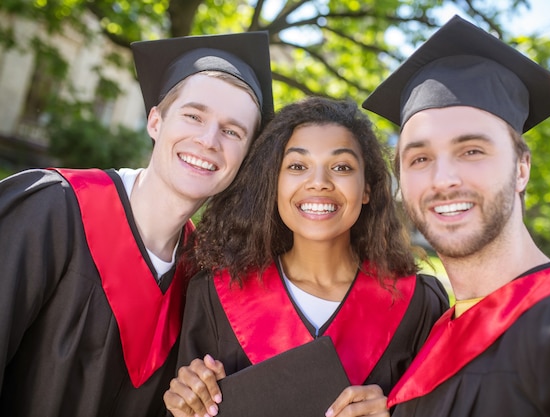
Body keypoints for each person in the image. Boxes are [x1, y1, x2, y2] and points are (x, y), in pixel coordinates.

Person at [362, 15, 550, 417]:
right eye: (420, 158)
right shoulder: (419, 350)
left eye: (472, 151)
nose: (443, 178)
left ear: (521, 169)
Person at [0, 31, 274, 416]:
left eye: (232, 131)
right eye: (193, 115)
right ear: (155, 121)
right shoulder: (53, 209)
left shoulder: (202, 280)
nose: (209, 140)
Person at [163, 97, 450, 417]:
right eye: (297, 166)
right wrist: (185, 404)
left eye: (341, 167)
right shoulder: (215, 295)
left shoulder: (419, 304)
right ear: (274, 183)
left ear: (367, 188)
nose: (319, 183)